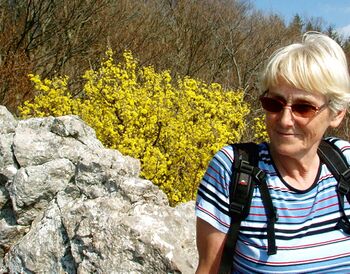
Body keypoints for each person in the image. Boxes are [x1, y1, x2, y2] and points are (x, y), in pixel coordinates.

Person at [195, 31, 350, 273]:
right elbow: (208, 269)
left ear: (337, 113)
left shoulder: (345, 163)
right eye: (274, 104)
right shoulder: (233, 170)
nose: (285, 120)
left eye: (303, 107)